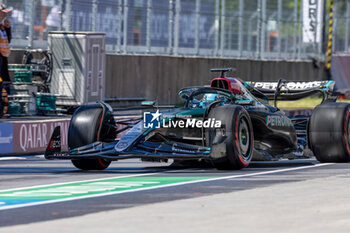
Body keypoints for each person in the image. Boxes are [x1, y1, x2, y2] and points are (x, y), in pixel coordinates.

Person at [0, 3, 12, 117]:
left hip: (3, 60)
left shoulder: (3, 26)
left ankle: (3, 110)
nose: (4, 15)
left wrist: (8, 29)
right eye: (2, 12)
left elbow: (8, 41)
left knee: (3, 84)